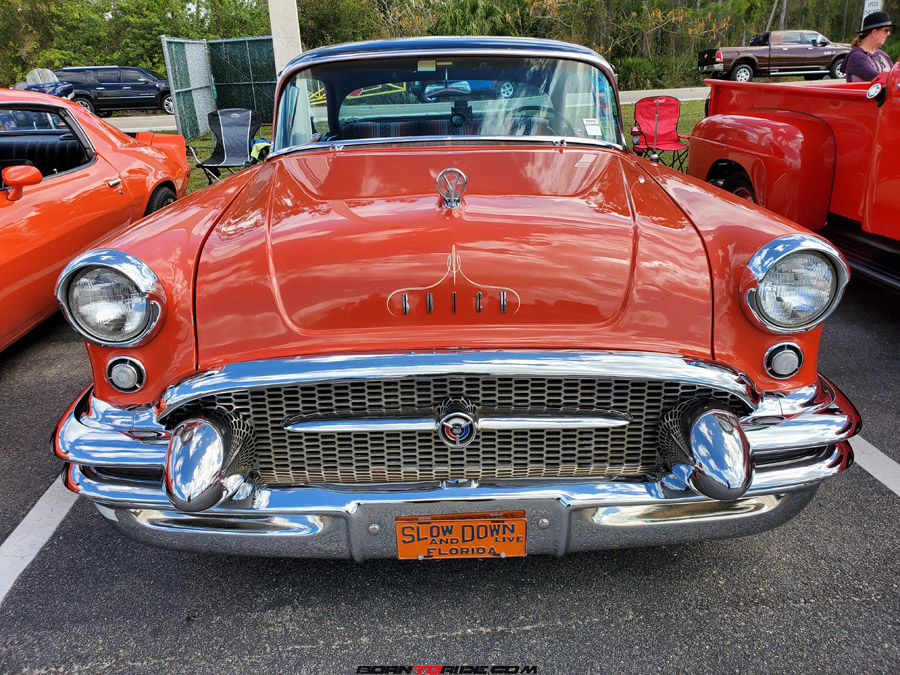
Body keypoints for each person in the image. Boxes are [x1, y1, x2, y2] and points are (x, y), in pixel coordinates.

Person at [844, 11, 894, 82]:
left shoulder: (883, 55)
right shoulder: (856, 57)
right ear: (874, 32)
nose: (888, 33)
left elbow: (894, 74)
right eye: (886, 30)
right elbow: (878, 78)